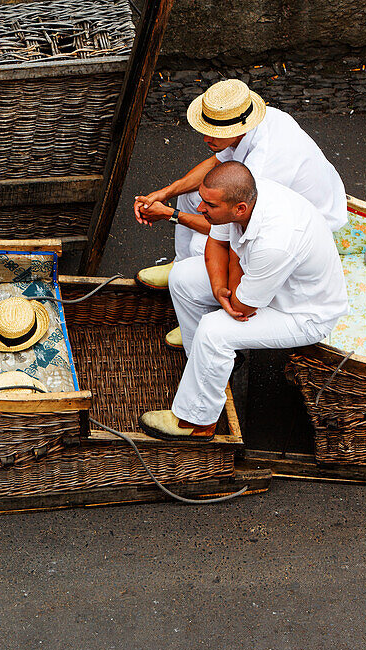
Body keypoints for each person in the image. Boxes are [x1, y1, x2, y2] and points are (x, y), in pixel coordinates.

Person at [139, 161, 347, 441]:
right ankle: (204, 369)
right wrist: (218, 288)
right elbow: (217, 243)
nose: (200, 209)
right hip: (262, 280)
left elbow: (240, 306)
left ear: (240, 209)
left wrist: (229, 288)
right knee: (183, 277)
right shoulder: (243, 195)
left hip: (300, 312)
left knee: (215, 331)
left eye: (208, 206)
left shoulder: (276, 242)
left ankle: (195, 421)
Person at [133, 79, 347, 347]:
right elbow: (218, 162)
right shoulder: (252, 123)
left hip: (306, 225)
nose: (205, 139)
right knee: (191, 195)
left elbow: (226, 222)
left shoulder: (266, 165)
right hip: (262, 208)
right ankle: (181, 265)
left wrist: (170, 215)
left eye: (213, 133)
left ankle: (207, 313)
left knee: (204, 247)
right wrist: (167, 192)